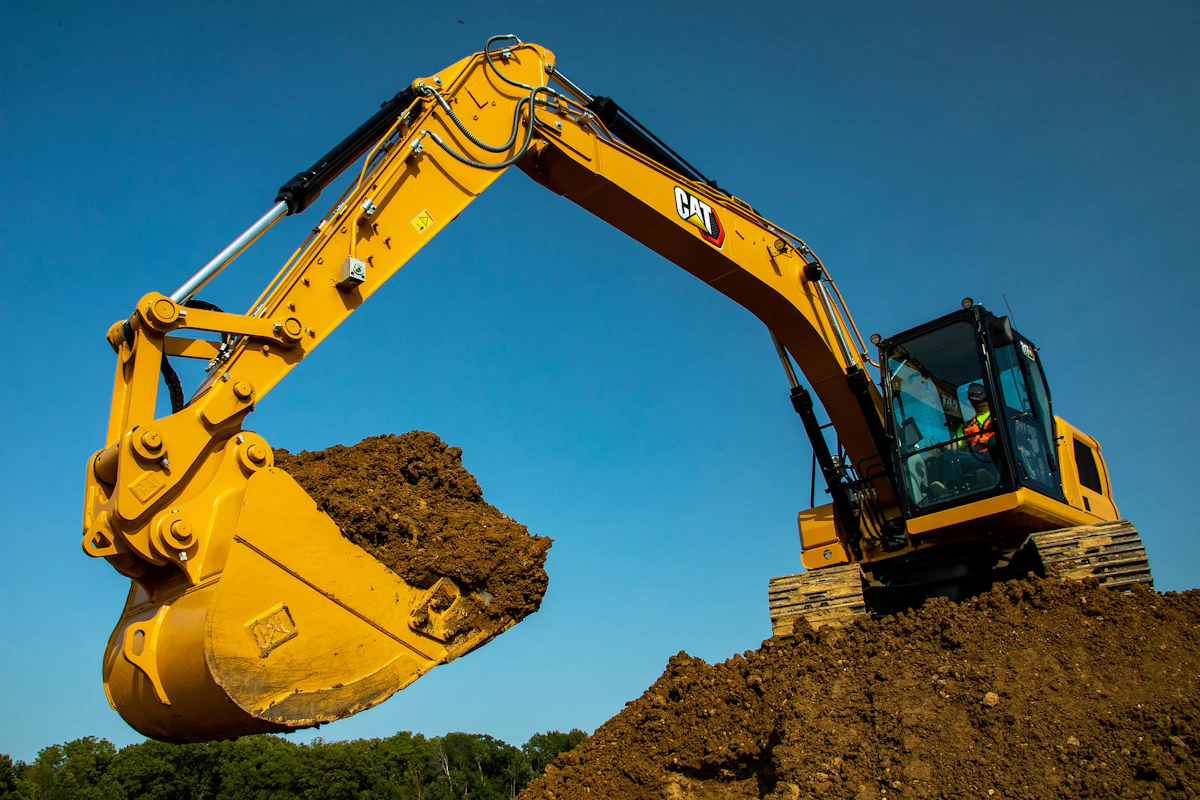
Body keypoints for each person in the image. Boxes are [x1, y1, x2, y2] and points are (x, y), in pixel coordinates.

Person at [955, 383, 995, 456]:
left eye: (979, 394)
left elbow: (1018, 429)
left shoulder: (999, 416)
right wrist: (940, 448)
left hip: (999, 456)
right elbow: (956, 446)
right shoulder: (965, 427)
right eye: (972, 396)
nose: (976, 399)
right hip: (978, 461)